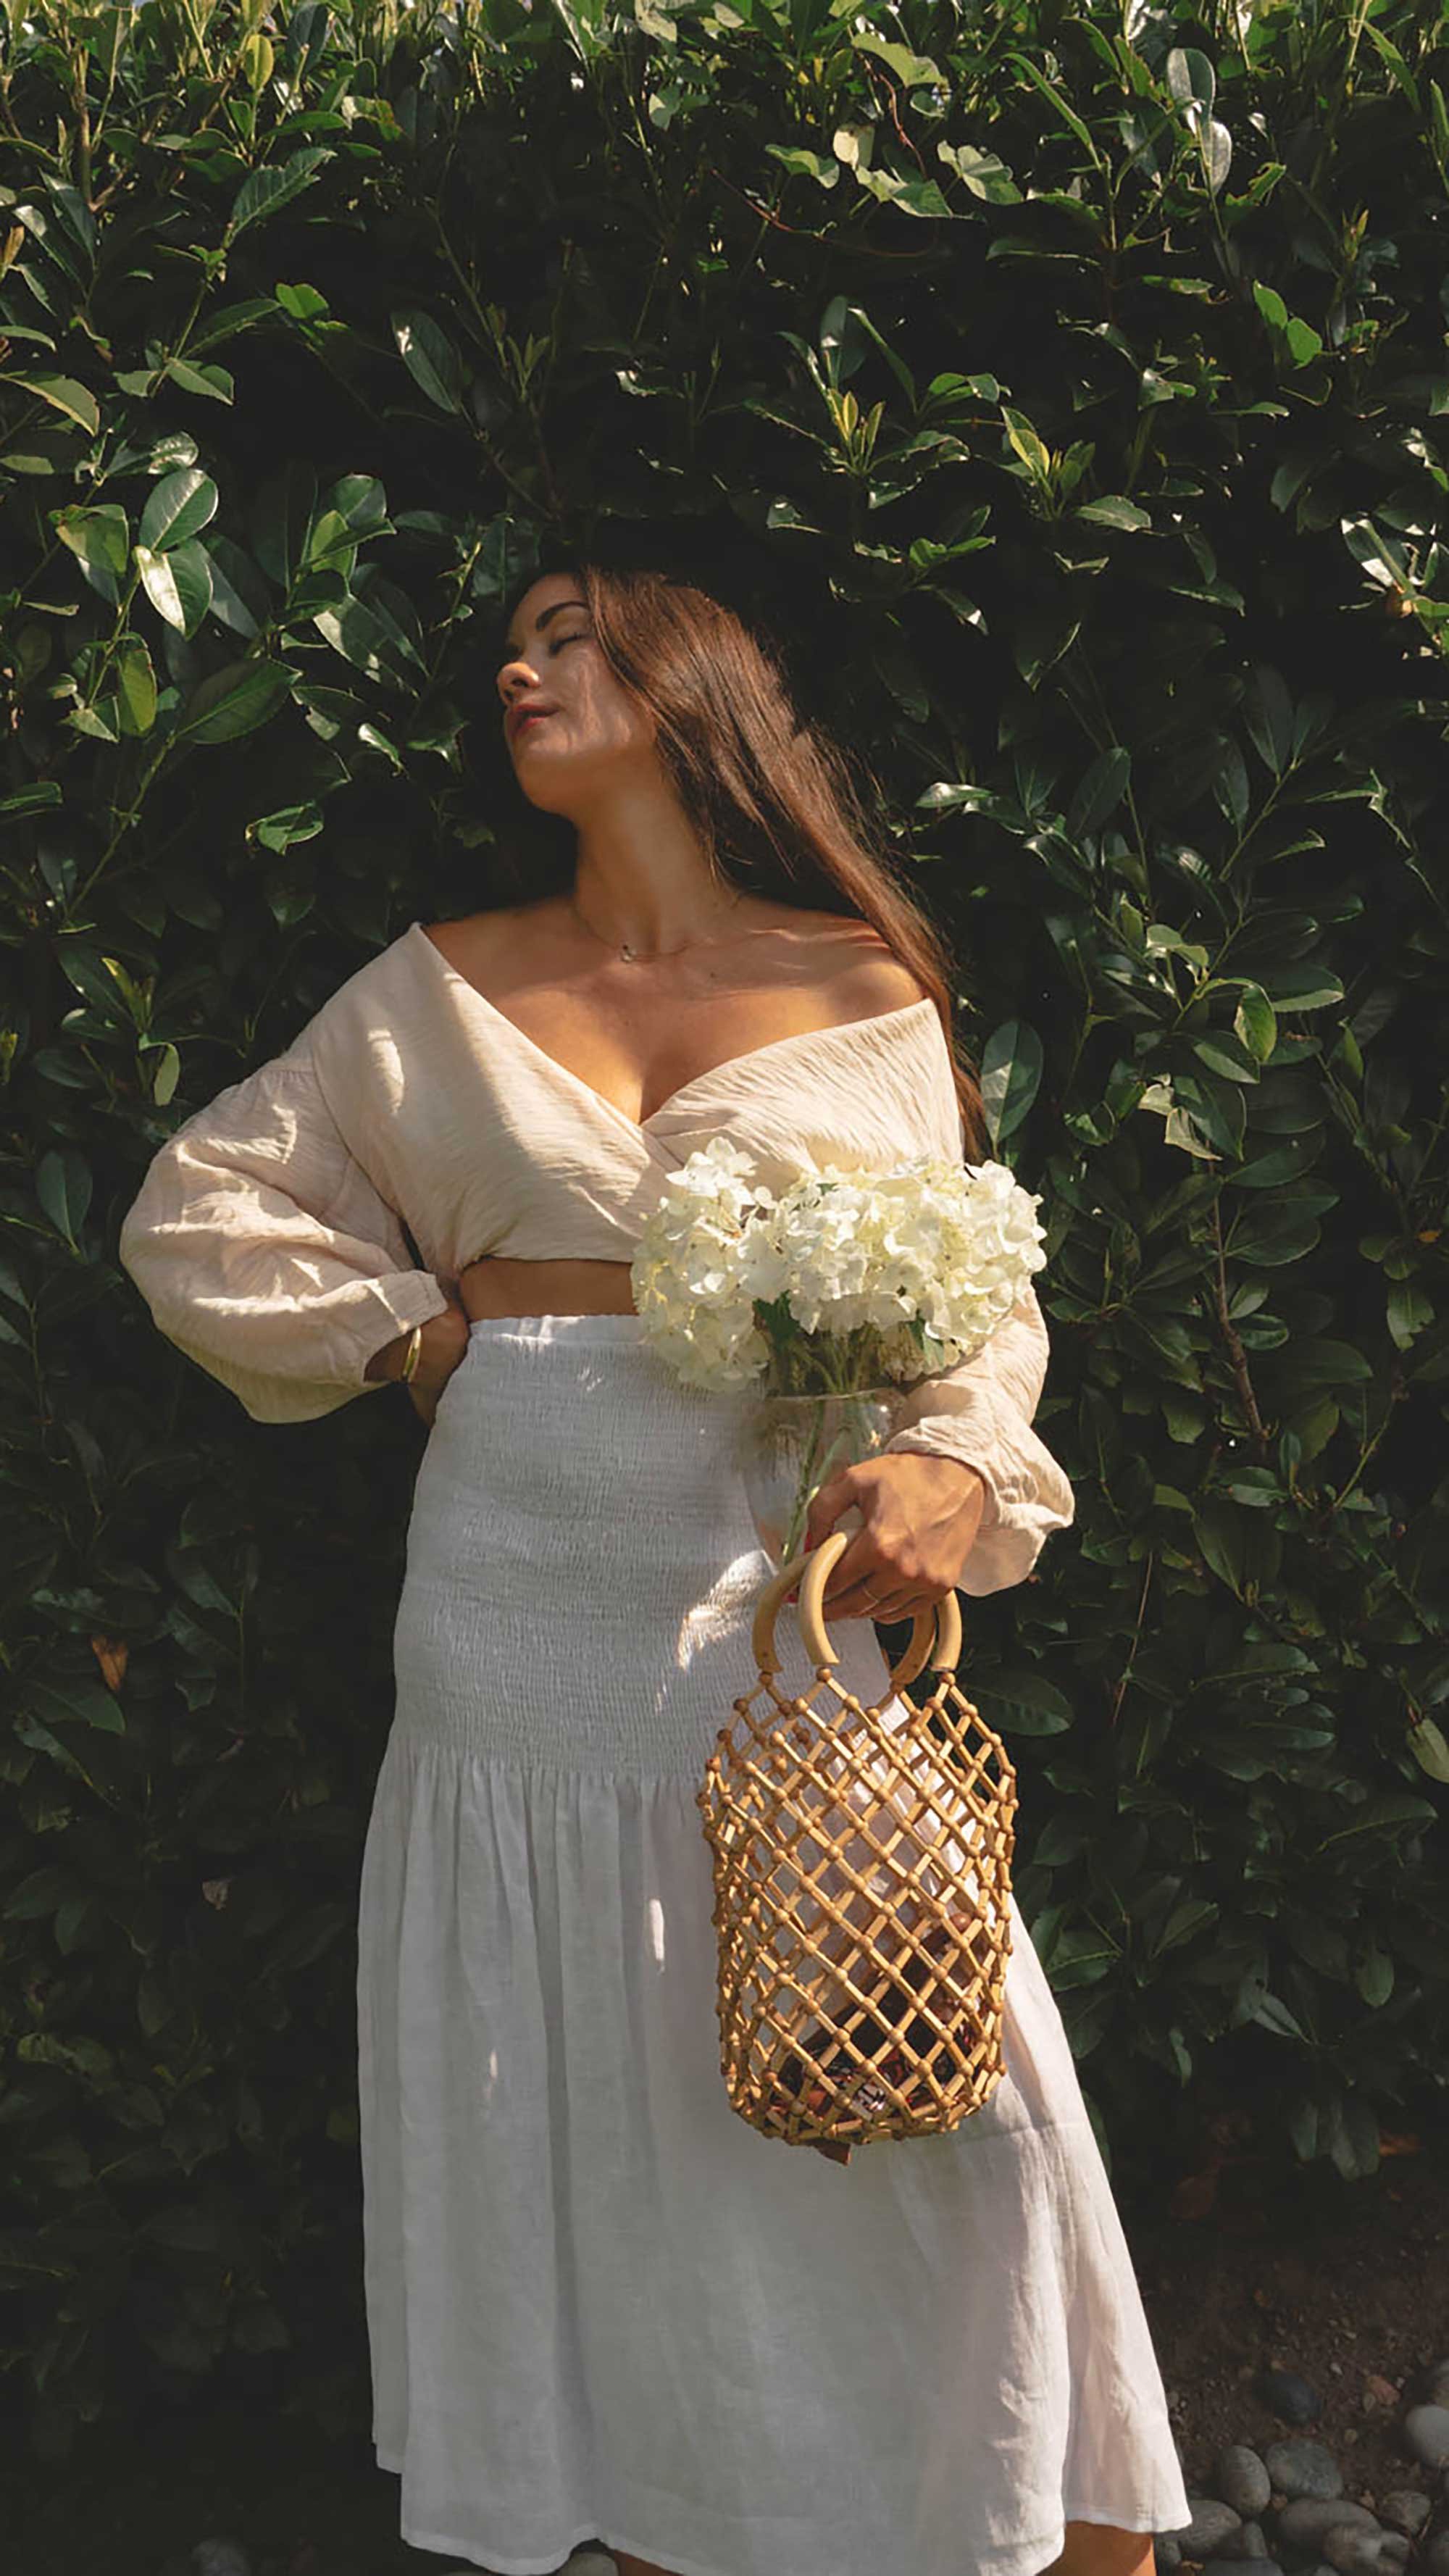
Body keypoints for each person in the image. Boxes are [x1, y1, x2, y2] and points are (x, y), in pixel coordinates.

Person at [117, 557, 1191, 2576]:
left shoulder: (862, 982)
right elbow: (200, 1214)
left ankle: (1018, 2518)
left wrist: (949, 1466)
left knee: (942, 2090)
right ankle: (649, 2521)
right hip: (518, 1618)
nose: (520, 667)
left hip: (774, 1602)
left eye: (571, 634)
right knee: (584, 2098)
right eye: (506, 646)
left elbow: (981, 1308)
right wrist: (425, 1334)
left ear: (693, 679)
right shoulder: (430, 985)